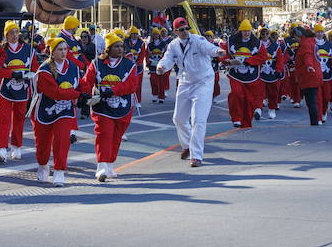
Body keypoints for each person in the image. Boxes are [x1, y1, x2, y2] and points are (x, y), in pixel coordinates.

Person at [156, 16, 226, 167]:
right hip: (185, 81)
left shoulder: (198, 40)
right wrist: (161, 67)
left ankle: (196, 155)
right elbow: (167, 59)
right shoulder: (173, 45)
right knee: (178, 118)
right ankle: (187, 145)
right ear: (175, 31)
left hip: (203, 82)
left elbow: (209, 48)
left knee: (198, 119)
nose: (185, 31)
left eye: (186, 28)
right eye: (181, 30)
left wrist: (218, 51)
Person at [84, 30, 142, 181]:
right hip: (102, 108)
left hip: (123, 108)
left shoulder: (129, 65)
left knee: (116, 137)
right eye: (116, 47)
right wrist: (83, 94)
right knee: (104, 134)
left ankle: (109, 164)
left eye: (122, 46)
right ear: (108, 49)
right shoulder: (96, 63)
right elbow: (86, 81)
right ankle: (101, 166)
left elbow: (131, 85)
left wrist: (113, 91)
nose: (120, 49)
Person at [33, 36, 82, 186]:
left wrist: (86, 93)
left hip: (65, 110)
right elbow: (54, 92)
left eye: (65, 49)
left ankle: (59, 171)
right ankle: (42, 165)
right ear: (52, 52)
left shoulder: (73, 67)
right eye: (59, 49)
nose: (63, 52)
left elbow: (80, 84)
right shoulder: (44, 70)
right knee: (43, 144)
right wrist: (78, 95)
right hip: (45, 111)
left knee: (62, 140)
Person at [0, 20, 35, 163]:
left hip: (22, 90)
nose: (15, 35)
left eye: (16, 32)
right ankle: (2, 149)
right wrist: (11, 74)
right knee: (4, 119)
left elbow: (35, 69)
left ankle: (16, 146)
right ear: (6, 35)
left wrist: (31, 76)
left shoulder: (29, 50)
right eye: (11, 33)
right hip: (4, 90)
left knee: (19, 119)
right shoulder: (2, 51)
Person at [224, 19, 266, 129]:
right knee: (236, 94)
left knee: (249, 98)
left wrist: (247, 61)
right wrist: (227, 60)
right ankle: (236, 118)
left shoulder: (257, 43)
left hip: (251, 75)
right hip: (236, 74)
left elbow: (262, 57)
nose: (246, 33)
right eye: (244, 31)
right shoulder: (231, 41)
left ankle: (247, 122)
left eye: (248, 31)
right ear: (240, 31)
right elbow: (223, 53)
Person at [258, 28, 286, 120]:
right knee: (258, 92)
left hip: (272, 73)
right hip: (260, 73)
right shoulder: (257, 45)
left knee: (273, 93)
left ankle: (272, 109)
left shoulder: (275, 46)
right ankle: (258, 108)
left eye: (266, 34)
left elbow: (280, 59)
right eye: (263, 34)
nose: (264, 35)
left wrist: (278, 70)